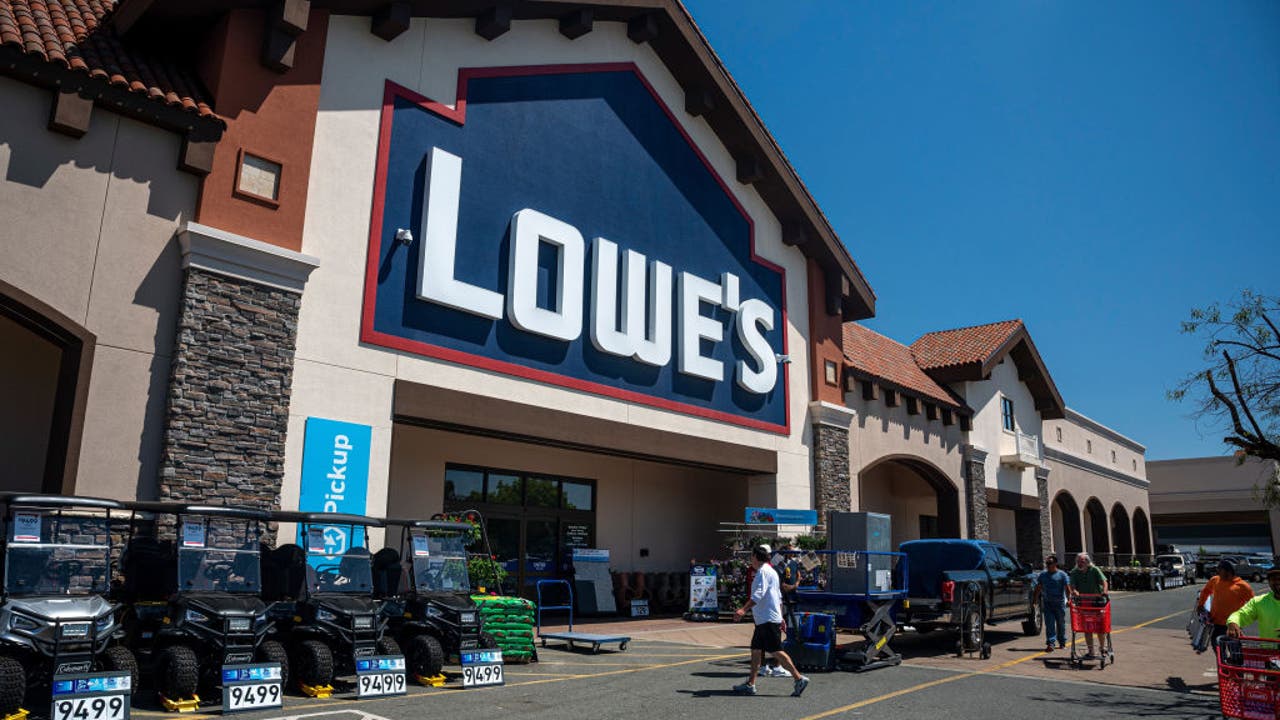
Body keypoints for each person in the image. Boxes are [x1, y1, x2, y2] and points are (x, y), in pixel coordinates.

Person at [732, 545, 810, 697]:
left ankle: (799, 678)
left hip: (767, 619)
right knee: (756, 650)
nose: (750, 559)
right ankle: (750, 684)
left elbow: (758, 595)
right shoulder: (772, 572)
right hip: (765, 618)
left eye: (752, 556)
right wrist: (780, 617)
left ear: (756, 557)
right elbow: (777, 597)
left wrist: (743, 609)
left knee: (776, 651)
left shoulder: (763, 572)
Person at [762, 541, 803, 678]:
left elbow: (798, 575)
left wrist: (796, 582)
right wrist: (795, 585)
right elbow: (783, 586)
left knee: (786, 633)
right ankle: (775, 664)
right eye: (790, 551)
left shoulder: (792, 564)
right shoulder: (777, 566)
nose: (792, 554)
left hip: (790, 601)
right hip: (781, 602)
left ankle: (776, 664)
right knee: (778, 634)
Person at [1196, 560, 1254, 648]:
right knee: (1217, 649)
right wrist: (1200, 605)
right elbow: (1205, 592)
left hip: (1233, 625)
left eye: (1220, 570)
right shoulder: (1215, 580)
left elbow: (1253, 604)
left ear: (1228, 571)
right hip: (1216, 623)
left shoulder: (1242, 586)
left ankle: (1234, 660)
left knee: (1235, 652)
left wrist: (1244, 619)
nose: (1218, 572)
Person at [1068, 552, 1109, 658]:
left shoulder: (1094, 570)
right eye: (1078, 562)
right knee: (1087, 627)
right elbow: (1072, 585)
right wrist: (1074, 591)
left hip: (1097, 601)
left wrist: (1104, 591)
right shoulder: (1074, 572)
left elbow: (1104, 581)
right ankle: (1091, 651)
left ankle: (1102, 647)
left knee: (1099, 626)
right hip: (1083, 602)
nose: (1080, 564)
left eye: (1082, 561)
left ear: (1087, 562)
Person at [1227, 567, 1280, 640]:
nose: (1277, 582)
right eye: (1274, 579)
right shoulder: (1259, 601)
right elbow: (1240, 615)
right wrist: (1233, 623)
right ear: (1269, 582)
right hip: (1267, 650)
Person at [1033, 554, 1071, 652]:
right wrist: (1035, 600)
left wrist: (1069, 599)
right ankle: (1051, 643)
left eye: (1049, 563)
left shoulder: (1062, 575)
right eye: (1047, 563)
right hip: (1048, 603)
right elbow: (1038, 587)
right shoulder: (1043, 575)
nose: (1048, 565)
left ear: (1055, 563)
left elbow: (1067, 588)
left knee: (1061, 624)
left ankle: (1062, 642)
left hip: (1059, 603)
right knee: (1049, 624)